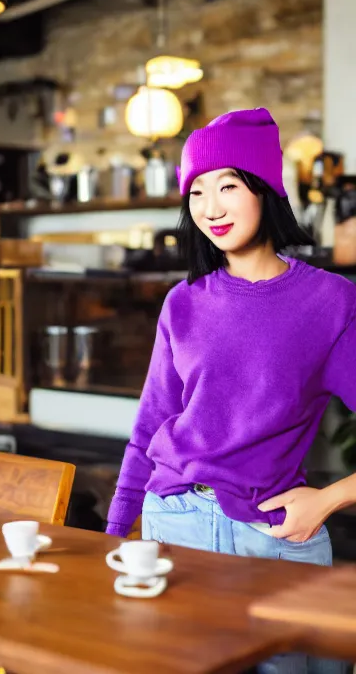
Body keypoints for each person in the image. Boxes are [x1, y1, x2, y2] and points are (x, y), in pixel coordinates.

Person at [106, 109, 356, 674]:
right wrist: (116, 532)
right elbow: (151, 423)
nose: (210, 208)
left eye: (227, 186)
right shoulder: (183, 302)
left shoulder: (330, 302)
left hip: (271, 538)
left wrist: (329, 498)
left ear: (265, 190)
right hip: (174, 528)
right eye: (195, 191)